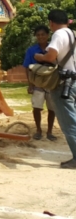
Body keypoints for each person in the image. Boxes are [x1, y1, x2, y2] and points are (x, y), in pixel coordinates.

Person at [34, 9, 76, 169]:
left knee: (69, 122)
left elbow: (51, 56)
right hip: (74, 79)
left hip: (63, 83)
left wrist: (40, 57)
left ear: (51, 23)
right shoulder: (72, 34)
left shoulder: (58, 35)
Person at [24, 26, 57, 141]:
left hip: (51, 82)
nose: (40, 37)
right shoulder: (31, 50)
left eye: (43, 34)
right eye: (38, 35)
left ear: (47, 35)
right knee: (37, 107)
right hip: (37, 82)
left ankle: (50, 131)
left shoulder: (53, 49)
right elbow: (27, 68)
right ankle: (38, 130)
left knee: (52, 108)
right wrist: (30, 84)